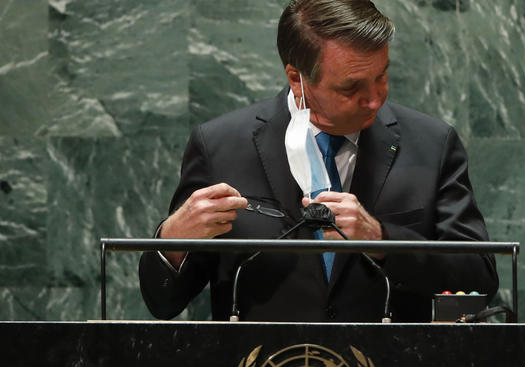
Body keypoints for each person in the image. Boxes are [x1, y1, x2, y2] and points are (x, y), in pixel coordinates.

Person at [138, 0, 498, 322]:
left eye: (382, 76)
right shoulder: (220, 145)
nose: (374, 99)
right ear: (297, 78)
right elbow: (163, 302)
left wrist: (383, 240)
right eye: (351, 87)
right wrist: (173, 240)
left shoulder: (432, 145)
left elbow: (480, 280)